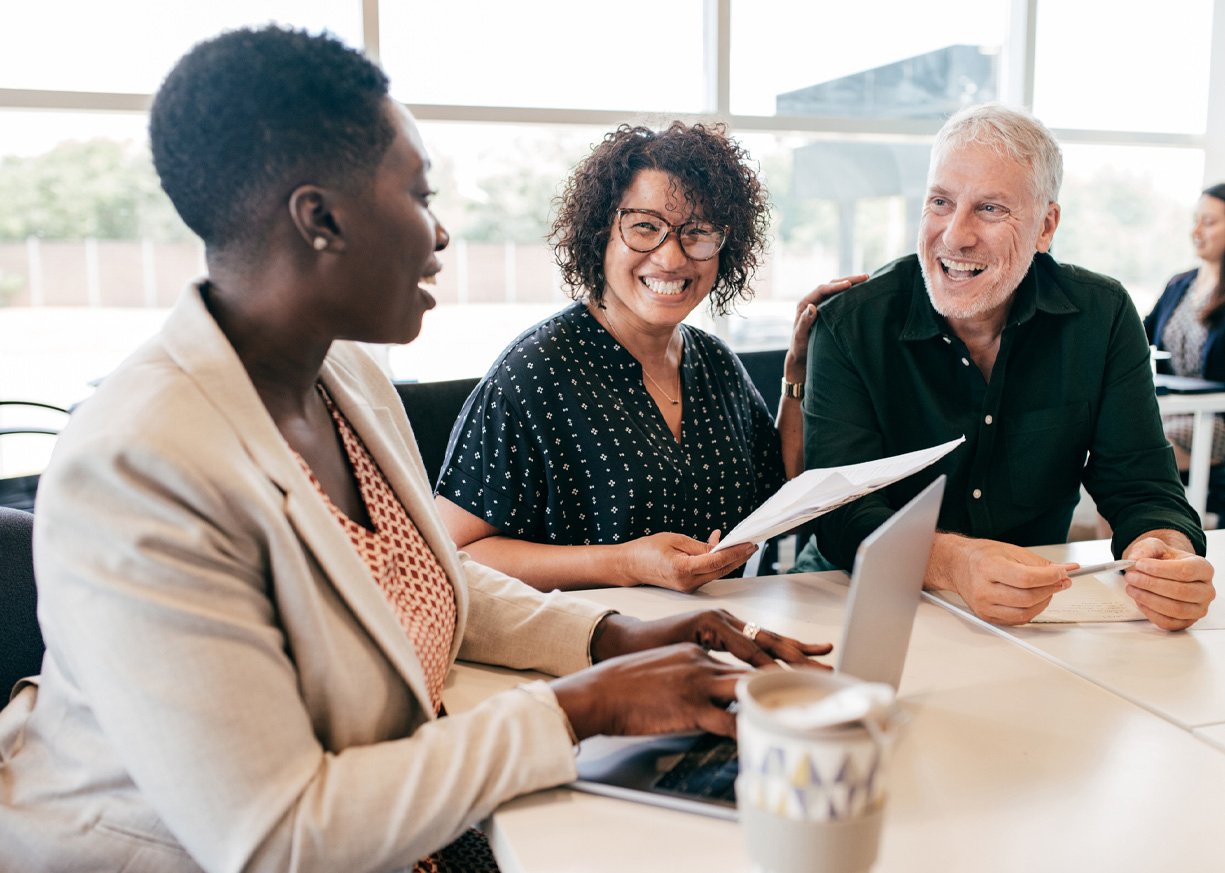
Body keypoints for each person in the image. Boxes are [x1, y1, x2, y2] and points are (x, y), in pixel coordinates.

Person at [0, 27, 833, 872]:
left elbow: (423, 571)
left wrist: (614, 639)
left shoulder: (346, 376)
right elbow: (276, 836)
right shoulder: (136, 463)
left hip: (410, 824)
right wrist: (578, 708)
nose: (439, 236)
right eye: (418, 195)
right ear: (321, 217)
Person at [798, 102, 1216, 631]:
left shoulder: (1102, 315)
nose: (955, 235)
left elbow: (1142, 486)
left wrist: (1165, 553)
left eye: (991, 209)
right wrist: (954, 563)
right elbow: (842, 512)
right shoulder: (851, 325)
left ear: (1045, 226)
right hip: (858, 594)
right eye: (940, 202)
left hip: (1033, 608)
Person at [436, 122, 862, 592]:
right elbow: (456, 553)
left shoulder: (714, 362)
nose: (672, 258)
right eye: (645, 227)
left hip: (716, 635)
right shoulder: (534, 373)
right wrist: (624, 563)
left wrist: (797, 371)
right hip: (590, 647)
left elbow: (781, 486)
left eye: (697, 232)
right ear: (600, 234)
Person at [1144, 183, 1225, 473]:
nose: (1196, 232)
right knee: (1110, 442)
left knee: (1142, 452)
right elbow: (1137, 336)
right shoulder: (1179, 284)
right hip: (1173, 409)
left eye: (1210, 222)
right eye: (1195, 221)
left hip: (1217, 417)